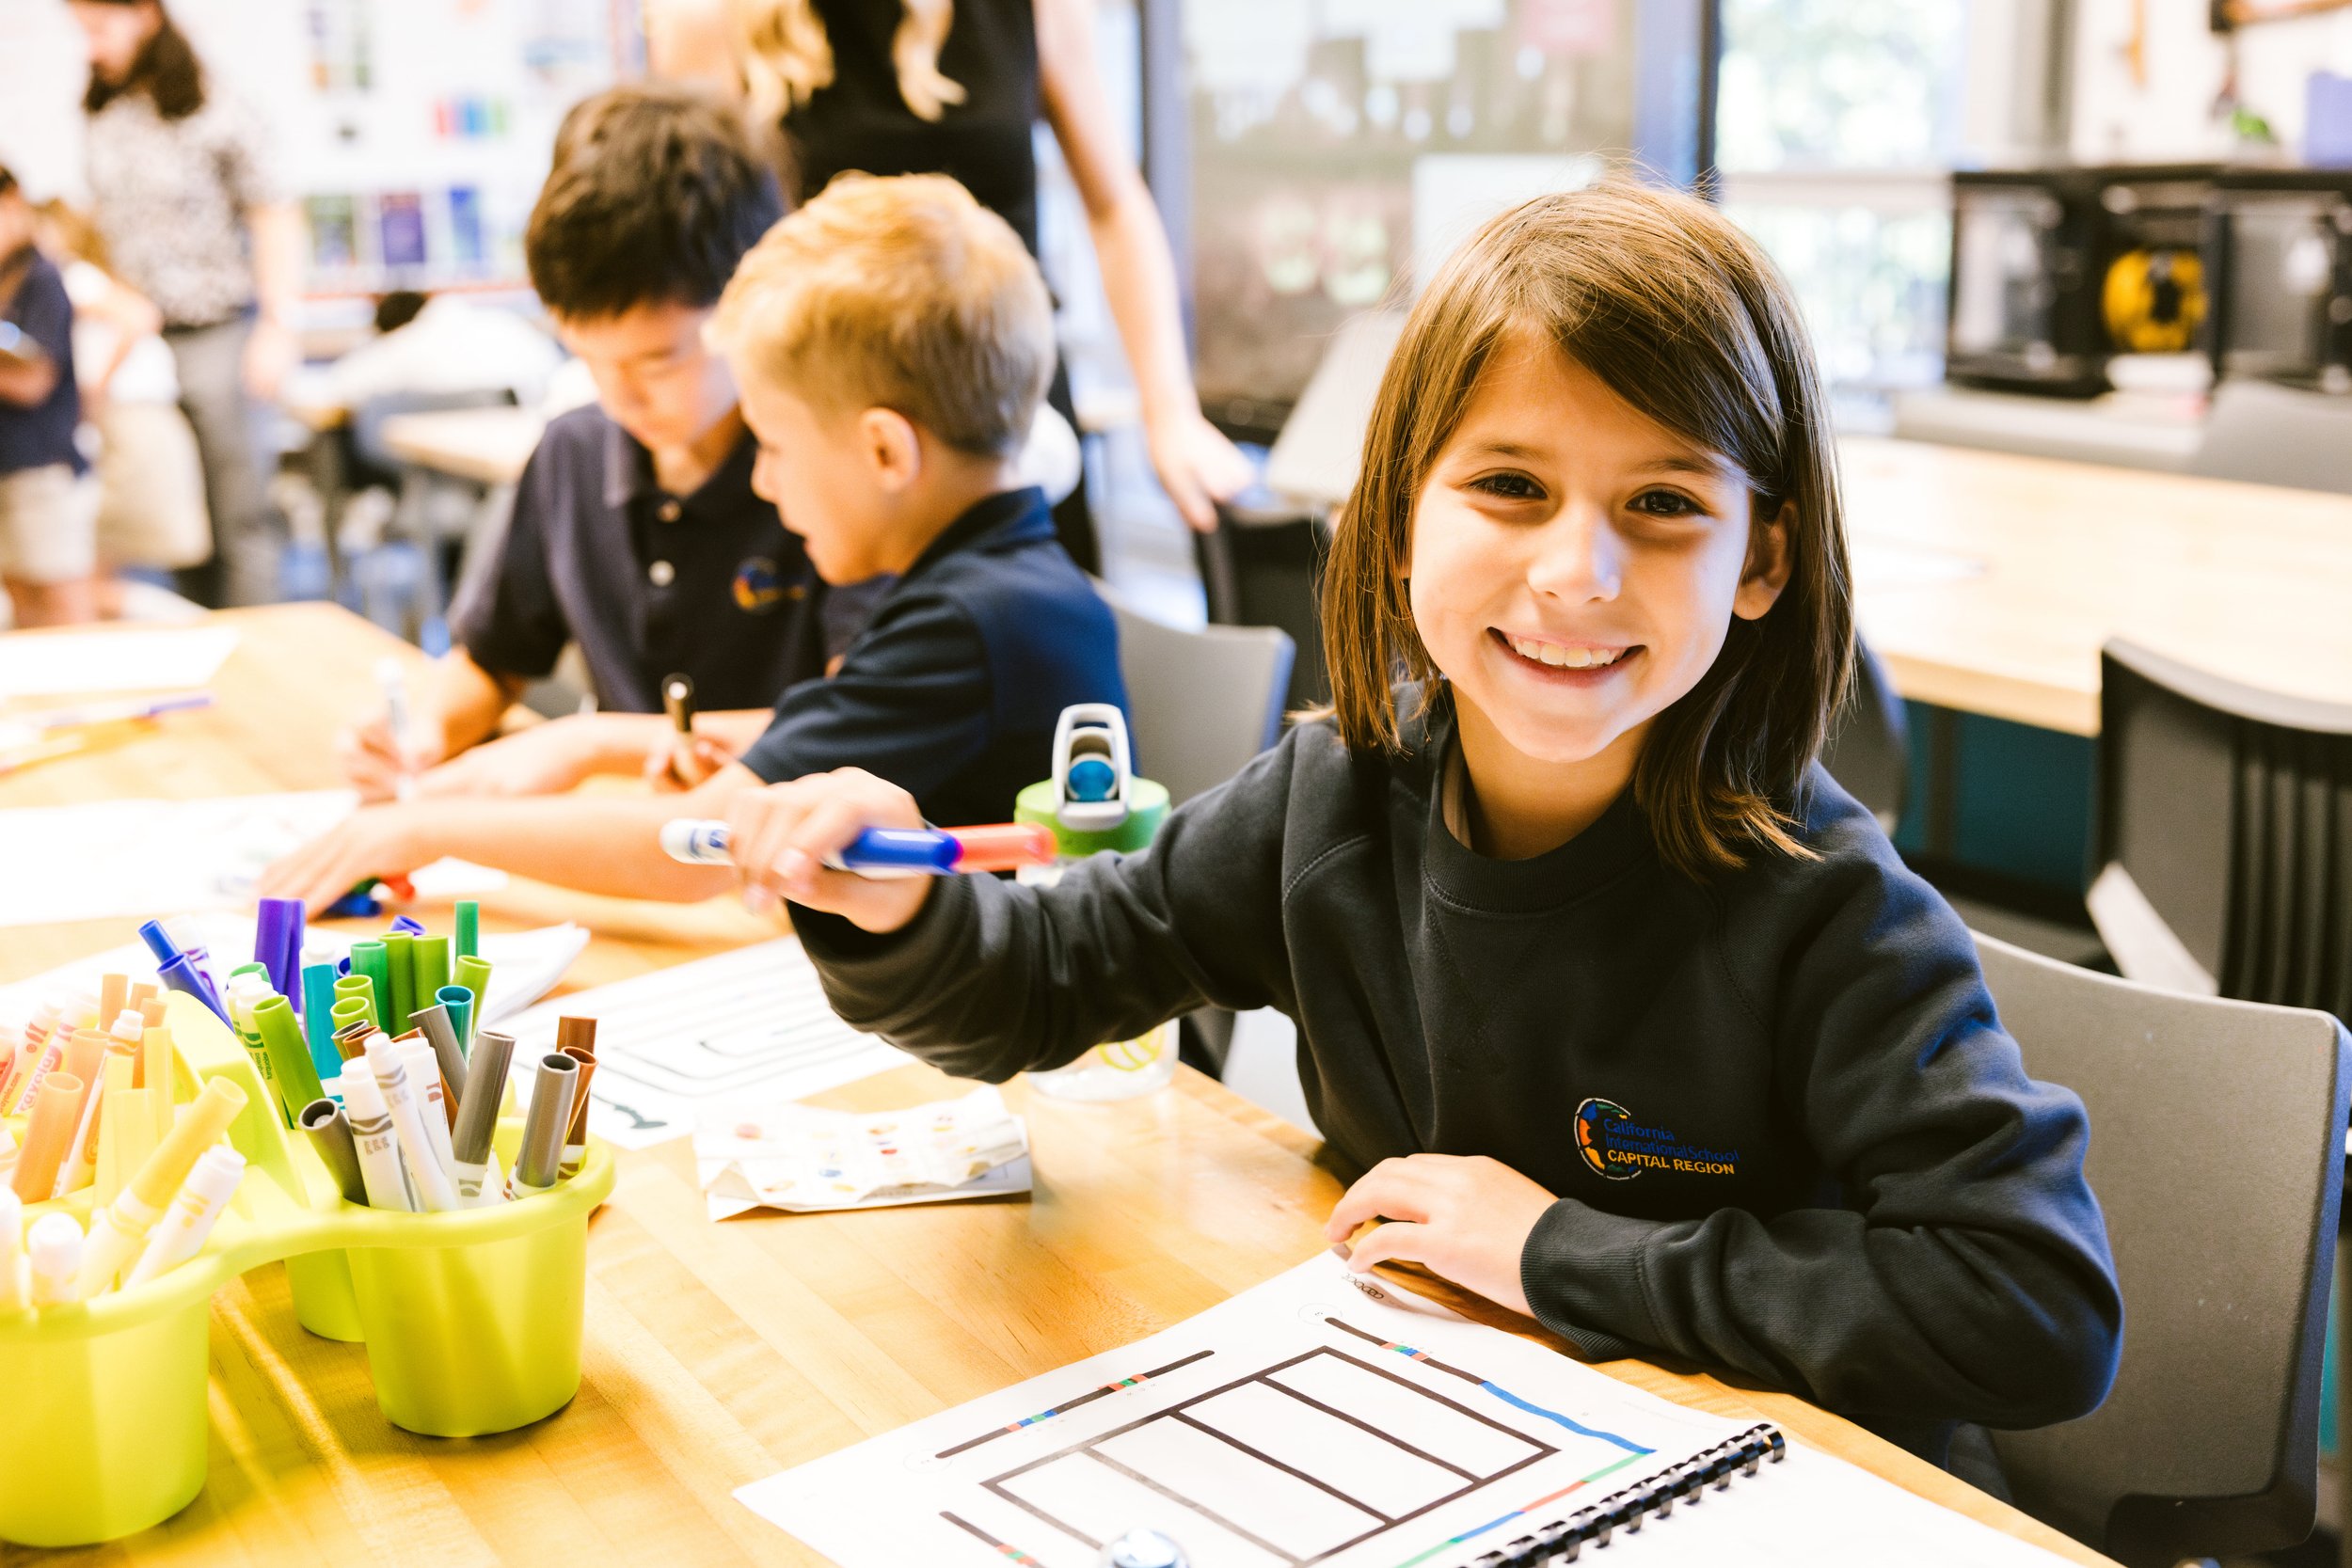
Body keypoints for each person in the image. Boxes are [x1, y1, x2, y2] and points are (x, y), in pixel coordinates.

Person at [713, 183, 2124, 1469]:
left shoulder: (1824, 905)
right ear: (1393, 520)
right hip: (1443, 1438)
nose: (1576, 571)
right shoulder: (1329, 800)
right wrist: (895, 906)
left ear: (1763, 559)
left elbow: (2033, 1301)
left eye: (1665, 502)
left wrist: (1563, 1250)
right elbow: (1043, 980)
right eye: (1510, 485)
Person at [259, 172, 1127, 911]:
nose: (762, 479)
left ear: (884, 451)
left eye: (776, 447)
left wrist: (415, 827)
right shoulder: (984, 583)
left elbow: (685, 848)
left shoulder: (964, 622)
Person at [332, 84, 838, 805]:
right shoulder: (574, 451)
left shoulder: (829, 471)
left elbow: (861, 718)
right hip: (626, 849)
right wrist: (422, 731)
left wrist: (593, 743)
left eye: (658, 361)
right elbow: (494, 660)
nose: (620, 395)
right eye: (588, 356)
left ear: (755, 297)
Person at [650, 0, 1255, 569]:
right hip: (835, 431)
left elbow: (1115, 206)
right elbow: (705, 245)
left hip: (1008, 402)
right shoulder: (713, 17)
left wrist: (1170, 411)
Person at [70, 0, 303, 610]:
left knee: (240, 519)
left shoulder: (215, 104)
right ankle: (205, 667)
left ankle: (262, 671)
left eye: (100, 28)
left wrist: (278, 326)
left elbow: (274, 208)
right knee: (178, 522)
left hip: (219, 330)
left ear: (145, 15)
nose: (92, 47)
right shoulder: (107, 113)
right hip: (146, 344)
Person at [40, 199, 212, 608]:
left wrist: (97, 387)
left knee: (97, 558)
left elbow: (138, 316)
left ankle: (176, 624)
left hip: (129, 419)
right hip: (135, 421)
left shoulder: (72, 277)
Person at [0, 163, 98, 627]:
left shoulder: (40, 279)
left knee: (63, 605)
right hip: (7, 466)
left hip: (43, 466)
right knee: (21, 601)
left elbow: (33, 382)